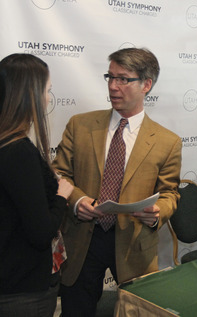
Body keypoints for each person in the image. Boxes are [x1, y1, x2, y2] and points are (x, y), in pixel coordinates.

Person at [52, 48, 182, 316]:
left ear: (146, 84)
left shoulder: (167, 142)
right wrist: (77, 201)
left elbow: (169, 193)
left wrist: (158, 213)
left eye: (123, 79)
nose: (113, 86)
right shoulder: (80, 125)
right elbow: (59, 174)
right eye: (110, 77)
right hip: (82, 241)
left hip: (134, 244)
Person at [0, 53, 74, 316]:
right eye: (46, 90)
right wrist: (61, 196)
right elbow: (41, 232)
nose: (47, 98)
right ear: (28, 94)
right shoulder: (18, 151)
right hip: (23, 292)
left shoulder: (9, 146)